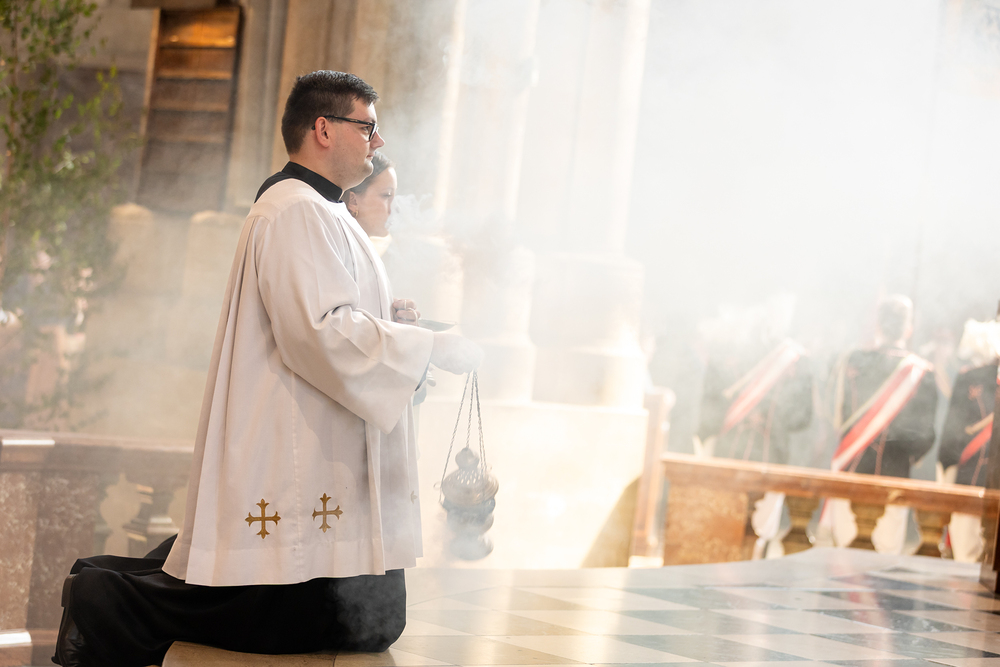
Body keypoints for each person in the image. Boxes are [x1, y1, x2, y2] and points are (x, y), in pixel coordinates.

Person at [53, 71, 482, 667]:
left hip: (328, 441)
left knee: (364, 619)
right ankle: (106, 598)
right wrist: (427, 347)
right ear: (324, 129)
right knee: (294, 615)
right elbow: (319, 332)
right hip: (300, 445)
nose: (378, 141)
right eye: (367, 127)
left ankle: (114, 588)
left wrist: (395, 324)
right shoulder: (295, 212)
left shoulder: (321, 210)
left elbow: (333, 315)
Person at [695, 296, 813, 558]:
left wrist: (769, 418)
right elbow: (709, 406)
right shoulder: (728, 352)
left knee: (758, 537)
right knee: (719, 530)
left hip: (770, 459)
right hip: (728, 456)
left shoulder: (796, 360)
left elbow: (802, 418)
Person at [820, 295, 937, 553]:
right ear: (908, 329)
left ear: (878, 326)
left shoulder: (852, 360)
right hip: (894, 476)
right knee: (884, 557)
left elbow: (832, 411)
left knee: (844, 554)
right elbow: (924, 437)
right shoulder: (922, 373)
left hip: (851, 466)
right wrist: (903, 454)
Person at [938, 318, 1000, 562]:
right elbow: (953, 433)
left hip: (978, 475)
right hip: (974, 473)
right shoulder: (972, 378)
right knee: (966, 553)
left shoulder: (971, 376)